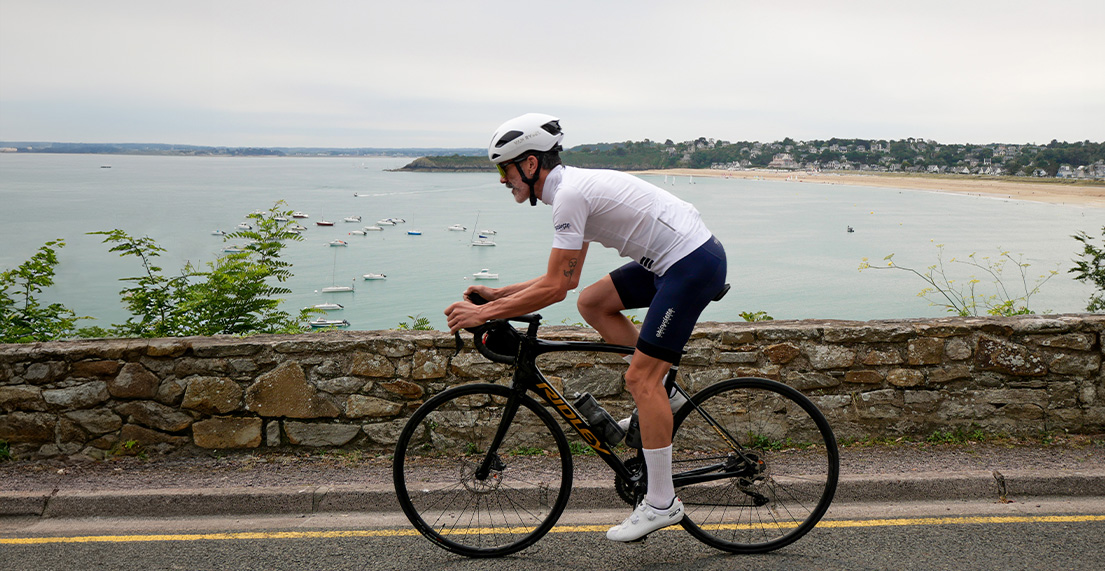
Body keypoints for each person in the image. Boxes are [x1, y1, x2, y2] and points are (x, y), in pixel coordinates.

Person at [444, 113, 727, 542]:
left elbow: (554, 285)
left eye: (505, 169)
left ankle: (661, 502)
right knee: (592, 302)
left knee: (639, 379)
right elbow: (566, 279)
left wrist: (483, 315)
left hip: (690, 265)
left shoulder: (570, 194)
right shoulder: (571, 191)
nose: (504, 180)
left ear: (531, 164)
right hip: (672, 261)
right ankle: (663, 387)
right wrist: (501, 297)